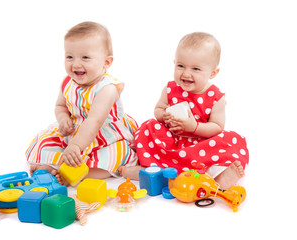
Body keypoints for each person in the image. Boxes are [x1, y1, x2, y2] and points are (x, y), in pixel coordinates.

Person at [118, 32, 249, 190]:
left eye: (196, 69)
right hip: (171, 141)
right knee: (149, 127)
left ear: (212, 73)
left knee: (232, 140)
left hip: (199, 145)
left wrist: (194, 127)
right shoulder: (170, 88)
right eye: (180, 66)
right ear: (174, 63)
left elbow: (217, 126)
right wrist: (163, 116)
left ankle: (216, 176)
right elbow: (158, 109)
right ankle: (150, 169)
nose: (186, 73)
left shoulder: (216, 97)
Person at [26, 21, 138, 185]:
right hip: (76, 132)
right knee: (44, 141)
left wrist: (77, 146)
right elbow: (60, 106)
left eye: (85, 57)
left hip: (105, 135)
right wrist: (63, 118)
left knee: (115, 155)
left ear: (106, 63)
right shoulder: (68, 82)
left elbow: (94, 121)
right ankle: (55, 167)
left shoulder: (107, 89)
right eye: (70, 57)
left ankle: (82, 173)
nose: (76, 64)